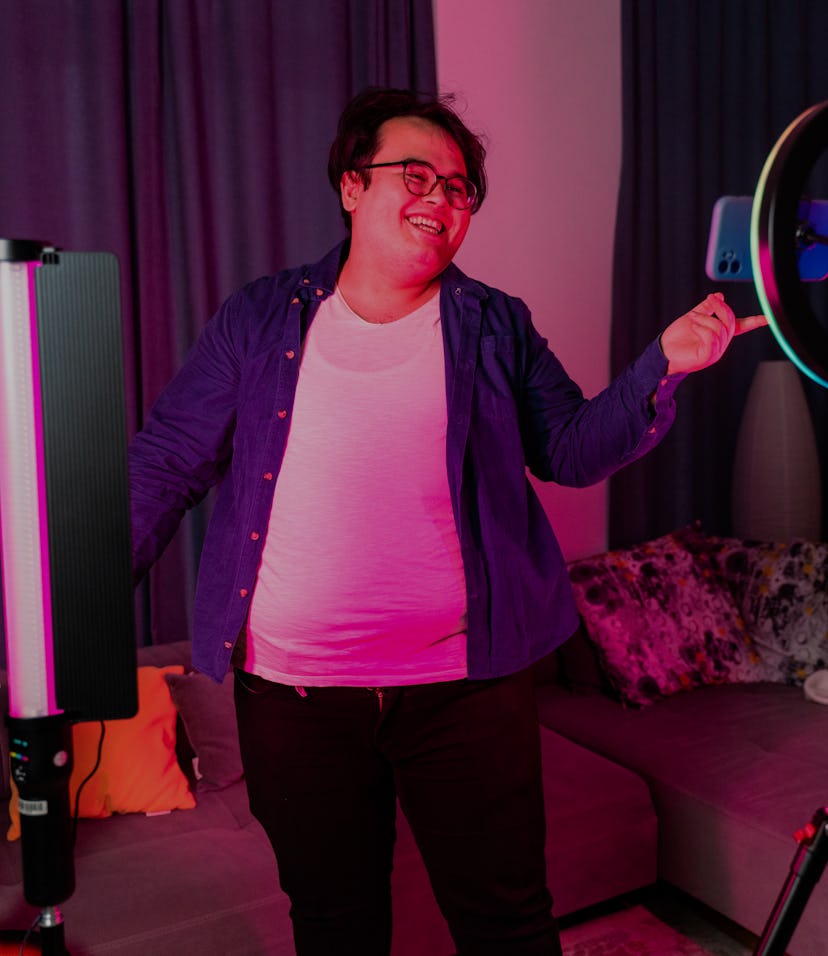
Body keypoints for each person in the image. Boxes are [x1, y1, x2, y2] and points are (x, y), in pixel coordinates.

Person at [129, 87, 766, 955]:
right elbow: (165, 462)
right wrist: (72, 608)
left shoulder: (494, 326)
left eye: (460, 188)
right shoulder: (261, 318)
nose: (441, 199)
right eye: (415, 175)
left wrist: (666, 363)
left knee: (508, 924)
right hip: (296, 698)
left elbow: (573, 449)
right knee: (334, 924)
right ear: (353, 186)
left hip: (466, 691)